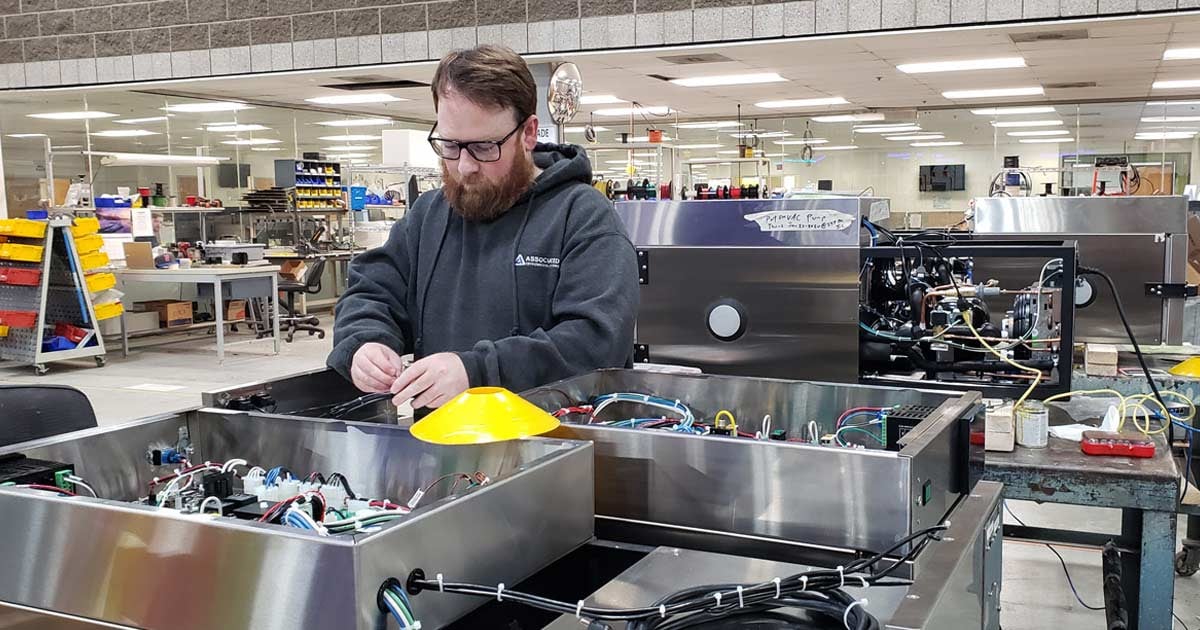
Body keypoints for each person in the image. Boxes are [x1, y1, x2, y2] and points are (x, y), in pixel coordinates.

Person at [328, 44, 639, 411]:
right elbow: (372, 291)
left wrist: (477, 372)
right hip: (444, 450)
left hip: (557, 449)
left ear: (528, 133)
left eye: (483, 147)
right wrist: (365, 343)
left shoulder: (584, 218)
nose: (464, 167)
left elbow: (596, 343)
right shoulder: (428, 216)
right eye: (449, 145)